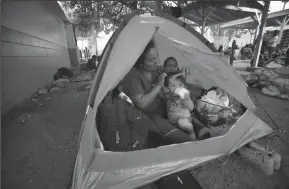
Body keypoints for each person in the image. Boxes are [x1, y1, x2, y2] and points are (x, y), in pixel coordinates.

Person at [121, 41, 194, 144]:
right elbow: (142, 103)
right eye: (151, 60)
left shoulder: (156, 69)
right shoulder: (132, 76)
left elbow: (171, 71)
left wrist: (182, 70)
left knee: (190, 121)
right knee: (181, 138)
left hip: (165, 111)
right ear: (140, 63)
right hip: (147, 116)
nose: (156, 62)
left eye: (155, 58)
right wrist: (159, 84)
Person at [164, 74, 196, 140]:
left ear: (184, 86)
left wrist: (187, 99)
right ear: (167, 88)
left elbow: (191, 107)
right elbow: (164, 93)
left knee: (184, 124)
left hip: (183, 118)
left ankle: (191, 132)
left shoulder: (183, 97)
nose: (178, 88)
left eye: (181, 85)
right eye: (173, 85)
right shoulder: (168, 95)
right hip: (172, 120)